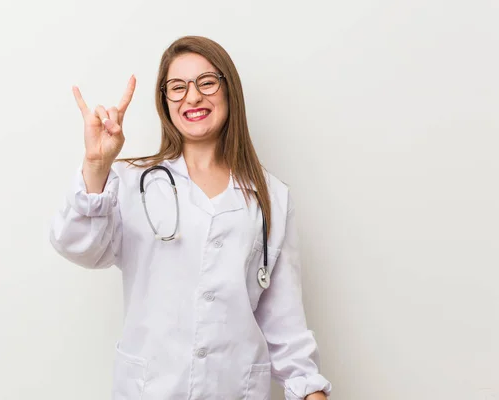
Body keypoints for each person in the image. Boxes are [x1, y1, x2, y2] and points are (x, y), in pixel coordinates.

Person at [49, 35, 332, 400]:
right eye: (177, 87)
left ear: (229, 90)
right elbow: (78, 247)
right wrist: (96, 165)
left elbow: (286, 328)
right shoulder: (132, 183)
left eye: (207, 82)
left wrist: (312, 392)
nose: (193, 97)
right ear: (165, 102)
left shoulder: (271, 198)